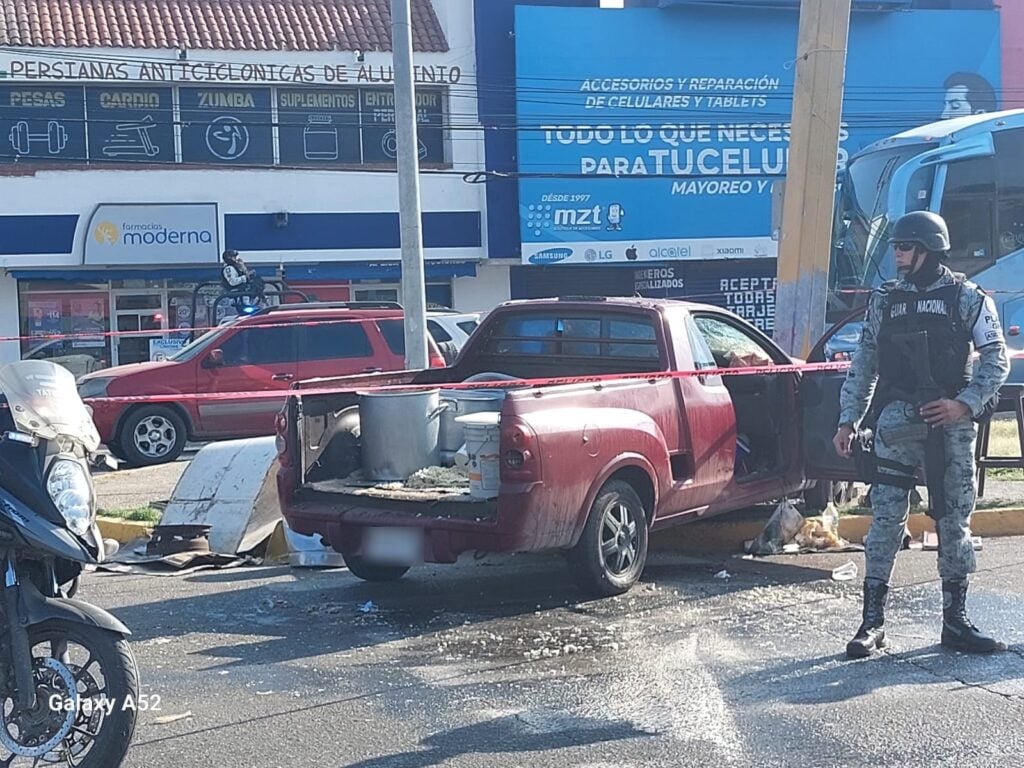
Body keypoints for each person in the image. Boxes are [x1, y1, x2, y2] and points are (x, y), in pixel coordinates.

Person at [832, 211, 1009, 659]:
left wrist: (964, 404)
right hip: (896, 422)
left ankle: (956, 623)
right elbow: (865, 361)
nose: (897, 255)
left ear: (930, 250)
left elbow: (996, 357)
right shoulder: (885, 299)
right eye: (896, 247)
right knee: (885, 521)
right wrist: (848, 420)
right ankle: (872, 624)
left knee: (953, 521)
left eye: (905, 247)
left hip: (949, 425)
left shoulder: (967, 297)